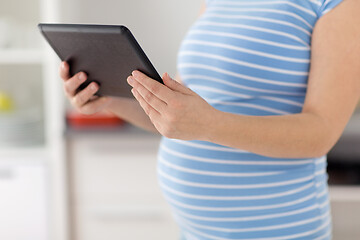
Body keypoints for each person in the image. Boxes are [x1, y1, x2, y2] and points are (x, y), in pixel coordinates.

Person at [59, 0, 360, 239]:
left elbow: (321, 132)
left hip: (276, 231)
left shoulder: (336, 4)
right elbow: (180, 121)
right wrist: (108, 100)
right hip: (196, 232)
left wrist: (208, 123)